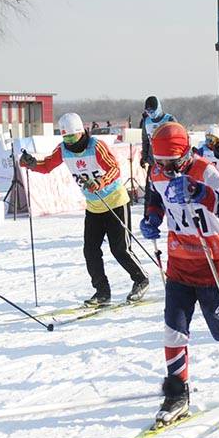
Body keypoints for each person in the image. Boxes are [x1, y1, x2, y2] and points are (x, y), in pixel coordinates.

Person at [139, 122, 219, 426]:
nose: (165, 169)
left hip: (213, 263)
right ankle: (177, 393)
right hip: (179, 263)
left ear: (183, 154)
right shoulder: (156, 172)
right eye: (160, 163)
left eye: (170, 163)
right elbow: (155, 200)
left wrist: (200, 192)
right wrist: (152, 219)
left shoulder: (205, 170)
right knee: (174, 329)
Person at [20, 113, 149, 306]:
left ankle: (141, 280)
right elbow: (46, 165)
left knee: (119, 249)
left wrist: (100, 181)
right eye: (65, 137)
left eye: (72, 136)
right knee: (90, 250)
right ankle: (102, 291)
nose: (69, 141)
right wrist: (31, 163)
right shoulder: (63, 149)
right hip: (93, 206)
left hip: (115, 201)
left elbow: (114, 168)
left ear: (82, 132)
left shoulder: (95, 146)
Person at [140, 96, 176, 212]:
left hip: (169, 163)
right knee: (150, 193)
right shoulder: (146, 121)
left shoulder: (169, 119)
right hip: (154, 163)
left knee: (172, 191)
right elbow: (145, 140)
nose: (151, 114)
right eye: (148, 111)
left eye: (152, 111)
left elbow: (178, 139)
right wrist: (144, 156)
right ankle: (148, 216)